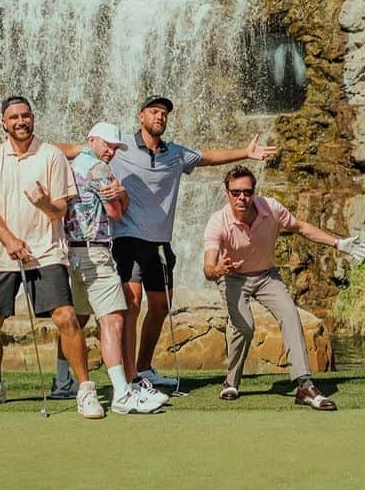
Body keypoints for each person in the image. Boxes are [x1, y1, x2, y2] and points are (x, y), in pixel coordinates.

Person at [59, 96, 277, 402]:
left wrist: (246, 152)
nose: (159, 116)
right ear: (141, 116)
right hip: (127, 239)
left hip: (160, 242)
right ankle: (131, 377)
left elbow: (207, 158)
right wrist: (30, 149)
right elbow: (68, 149)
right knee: (131, 304)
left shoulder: (175, 154)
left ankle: (144, 367)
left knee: (160, 307)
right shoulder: (118, 149)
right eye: (154, 112)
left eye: (164, 113)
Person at [0, 96, 104, 419]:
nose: (21, 121)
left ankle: (85, 390)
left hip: (45, 250)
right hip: (2, 253)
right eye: (14, 117)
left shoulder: (52, 156)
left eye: (26, 115)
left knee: (66, 318)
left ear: (33, 118)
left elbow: (61, 208)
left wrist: (44, 203)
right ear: (4, 122)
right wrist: (10, 240)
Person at [202, 165, 365, 410]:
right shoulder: (218, 222)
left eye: (247, 192)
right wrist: (218, 269)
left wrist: (338, 244)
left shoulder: (270, 208)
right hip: (232, 277)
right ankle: (231, 381)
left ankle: (304, 386)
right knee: (245, 326)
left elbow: (301, 228)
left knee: (290, 315)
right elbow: (208, 267)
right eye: (236, 192)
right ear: (226, 193)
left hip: (266, 276)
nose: (242, 197)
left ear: (254, 191)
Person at [60, 122, 167, 416]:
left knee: (77, 319)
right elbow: (116, 213)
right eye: (107, 145)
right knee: (114, 319)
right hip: (95, 251)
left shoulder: (69, 167)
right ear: (91, 140)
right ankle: (122, 392)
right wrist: (122, 193)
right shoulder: (99, 170)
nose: (110, 151)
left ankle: (62, 380)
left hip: (72, 251)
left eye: (115, 147)